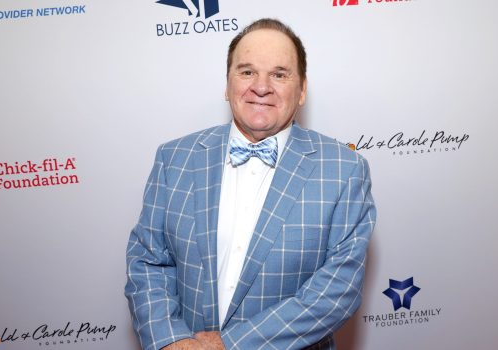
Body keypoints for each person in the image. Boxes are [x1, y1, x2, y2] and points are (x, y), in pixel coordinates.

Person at [125, 18, 376, 350]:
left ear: (301, 90)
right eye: (247, 72)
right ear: (227, 85)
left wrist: (230, 345)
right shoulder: (175, 158)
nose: (261, 86)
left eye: (279, 74)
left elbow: (336, 290)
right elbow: (147, 262)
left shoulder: (345, 170)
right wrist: (170, 341)